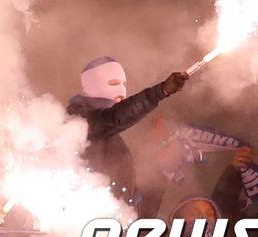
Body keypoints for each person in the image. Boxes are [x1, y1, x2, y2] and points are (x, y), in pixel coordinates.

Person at [65, 56, 187, 213]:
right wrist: (160, 91)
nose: (121, 90)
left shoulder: (115, 139)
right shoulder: (79, 120)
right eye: (114, 83)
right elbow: (114, 118)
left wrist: (158, 167)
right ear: (89, 86)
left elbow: (134, 199)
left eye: (124, 84)